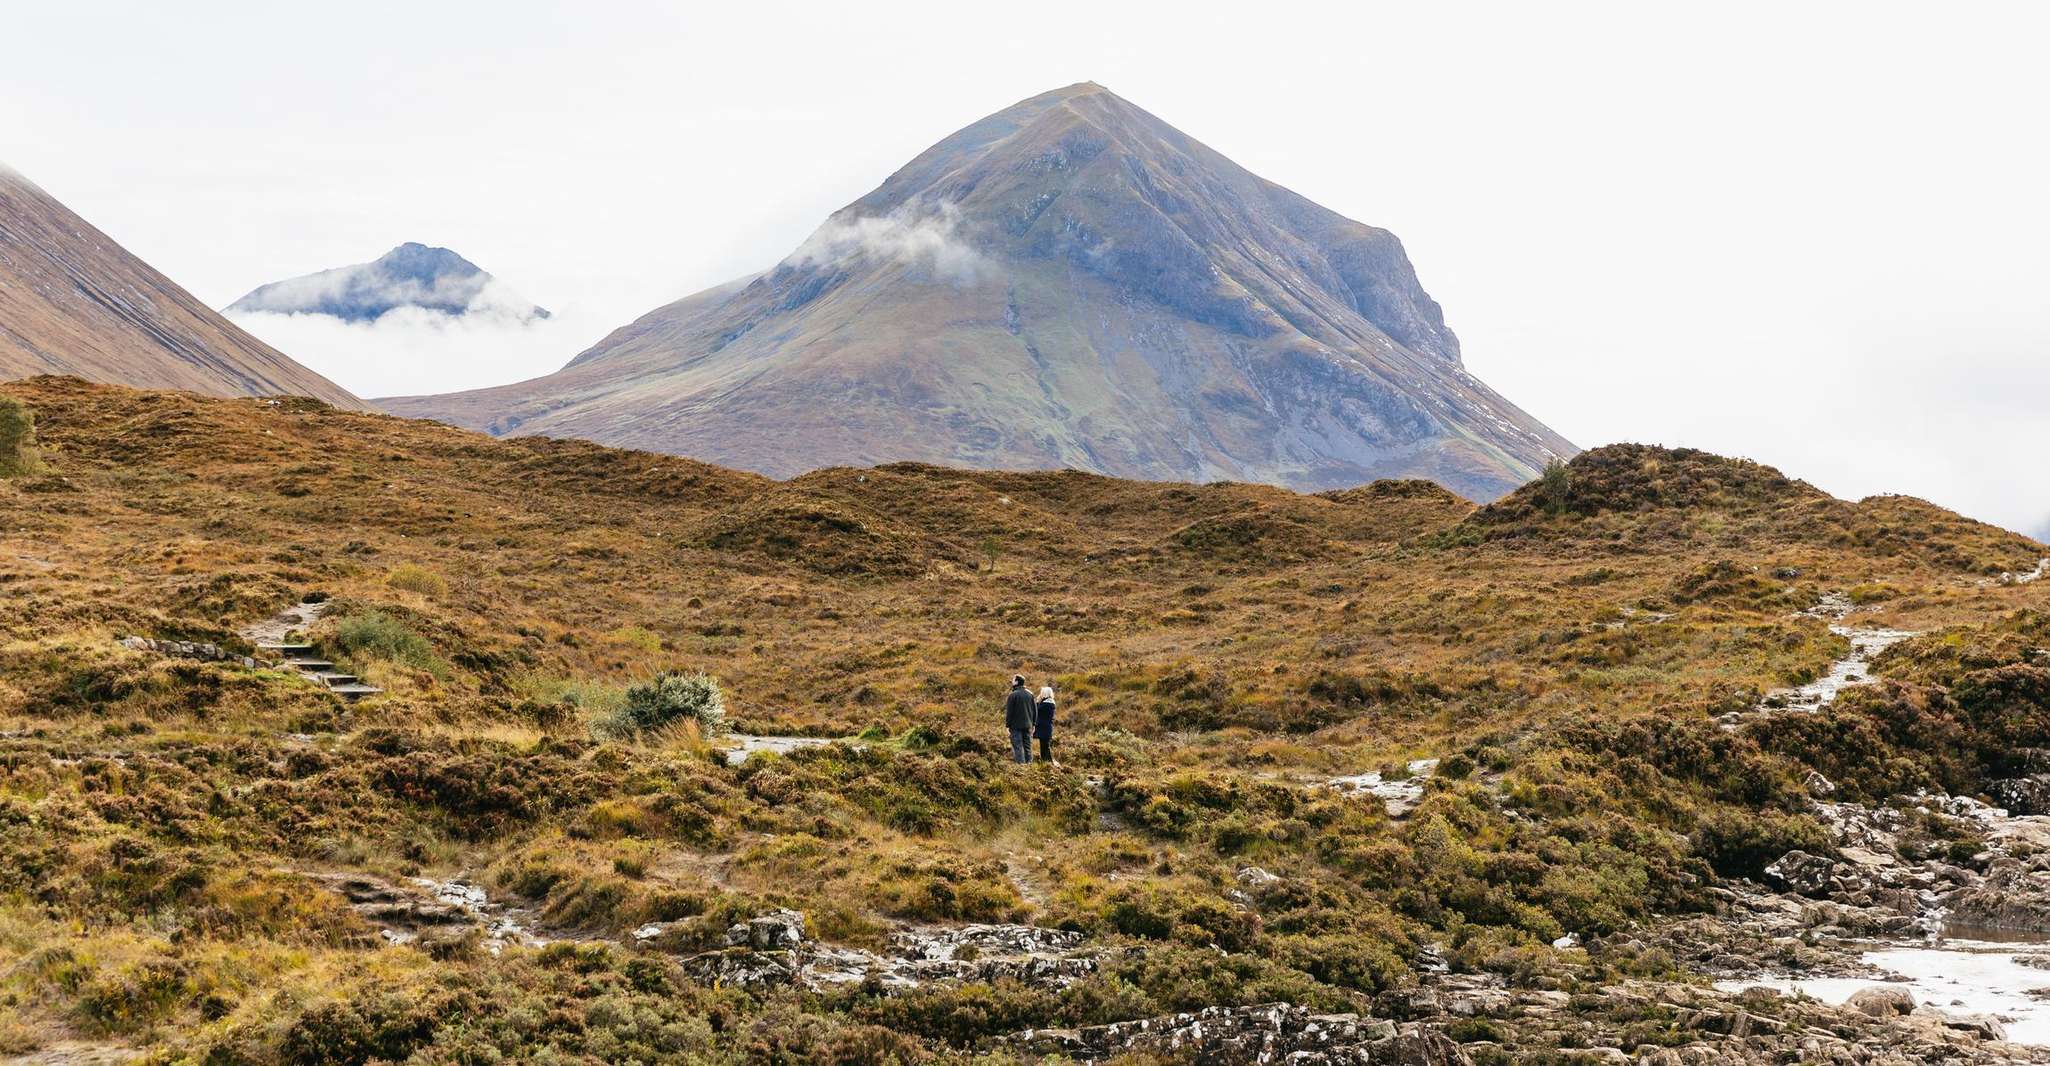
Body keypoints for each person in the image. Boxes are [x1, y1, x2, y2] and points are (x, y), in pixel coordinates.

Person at [1003, 675, 1036, 764]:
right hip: (1028, 725)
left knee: (1018, 747)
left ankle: (1021, 766)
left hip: (1015, 726)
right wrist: (1033, 724)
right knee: (1027, 746)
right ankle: (1029, 765)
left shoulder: (1012, 695)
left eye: (1013, 680)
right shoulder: (1030, 694)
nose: (1012, 681)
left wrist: (1007, 725)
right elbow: (1035, 710)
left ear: (1017, 682)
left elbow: (1009, 712)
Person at [1034, 684, 1057, 765]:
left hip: (1044, 728)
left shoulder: (1046, 704)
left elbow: (1036, 710)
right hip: (1046, 727)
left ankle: (1048, 762)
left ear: (1045, 693)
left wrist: (1037, 701)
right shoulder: (1049, 702)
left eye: (1042, 692)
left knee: (1045, 746)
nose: (1040, 694)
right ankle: (1046, 762)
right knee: (1044, 746)